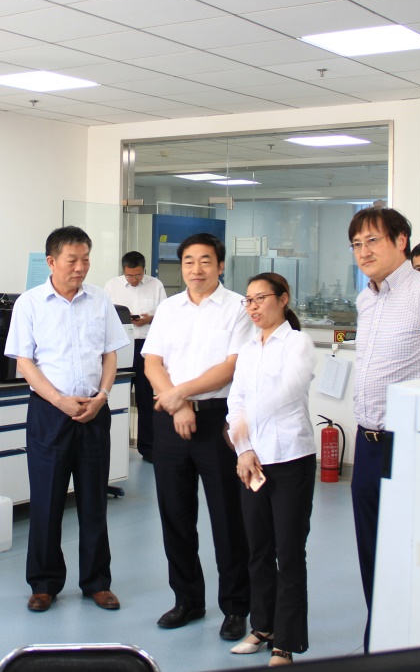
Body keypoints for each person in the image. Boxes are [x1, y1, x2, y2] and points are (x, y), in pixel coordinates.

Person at [349, 209, 420, 651]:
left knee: (410, 551)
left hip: (412, 442)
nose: (363, 252)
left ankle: (413, 644)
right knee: (372, 550)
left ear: (401, 241)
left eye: (373, 241)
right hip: (368, 440)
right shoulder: (366, 298)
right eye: (357, 244)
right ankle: (378, 639)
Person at [4, 226, 129, 614]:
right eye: (72, 260)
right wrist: (59, 401)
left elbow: (110, 354)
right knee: (47, 501)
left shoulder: (100, 299)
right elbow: (25, 362)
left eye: (86, 259)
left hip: (94, 410)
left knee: (94, 501)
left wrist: (103, 396)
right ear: (51, 261)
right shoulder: (30, 304)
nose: (80, 267)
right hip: (49, 413)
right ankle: (43, 584)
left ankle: (97, 582)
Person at [143, 233, 254, 642]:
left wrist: (181, 395)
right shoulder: (168, 308)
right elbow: (152, 362)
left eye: (205, 260)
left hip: (217, 421)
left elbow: (231, 366)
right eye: (189, 261)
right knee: (175, 515)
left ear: (220, 266)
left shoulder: (239, 307)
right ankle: (187, 600)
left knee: (228, 518)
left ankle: (236, 607)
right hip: (171, 421)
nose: (196, 268)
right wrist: (178, 405)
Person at [226, 273, 317, 667]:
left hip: (291, 457)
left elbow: (291, 388)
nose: (253, 307)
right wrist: (243, 448)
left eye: (261, 298)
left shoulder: (297, 343)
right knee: (258, 549)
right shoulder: (248, 349)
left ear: (283, 299)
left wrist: (250, 419)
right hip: (254, 461)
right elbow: (236, 400)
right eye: (248, 300)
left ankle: (288, 641)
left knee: (289, 551)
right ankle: (262, 627)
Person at [104, 250, 167, 462]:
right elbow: (104, 315)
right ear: (123, 271)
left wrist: (150, 319)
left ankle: (148, 449)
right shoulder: (111, 286)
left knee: (145, 400)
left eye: (138, 275)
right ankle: (114, 447)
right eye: (130, 275)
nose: (134, 279)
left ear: (144, 270)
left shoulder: (155, 285)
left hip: (146, 348)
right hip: (121, 347)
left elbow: (165, 315)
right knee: (116, 397)